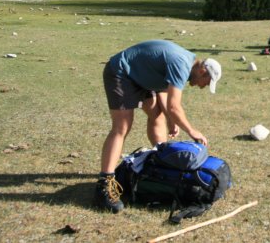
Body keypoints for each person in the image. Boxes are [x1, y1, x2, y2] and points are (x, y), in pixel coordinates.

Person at [95, 39, 222, 213]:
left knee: (156, 114)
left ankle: (161, 161)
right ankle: (104, 186)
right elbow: (174, 106)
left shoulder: (186, 62)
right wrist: (191, 130)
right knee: (121, 127)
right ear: (202, 71)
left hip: (141, 76)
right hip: (121, 71)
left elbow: (163, 90)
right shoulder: (182, 64)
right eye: (206, 83)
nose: (202, 87)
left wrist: (172, 120)